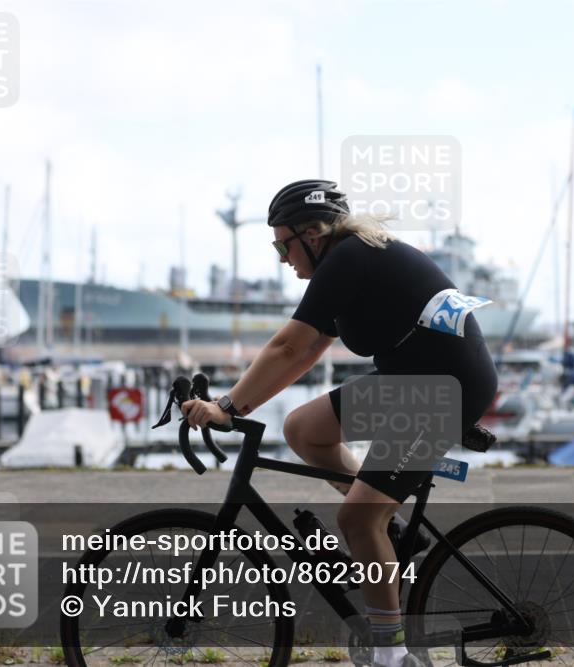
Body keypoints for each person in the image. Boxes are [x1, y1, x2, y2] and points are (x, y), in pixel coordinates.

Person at [182, 179, 498, 667]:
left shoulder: (348, 258)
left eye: (281, 244)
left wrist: (228, 406)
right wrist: (236, 407)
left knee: (356, 518)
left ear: (311, 233)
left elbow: (287, 346)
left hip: (440, 391)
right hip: (414, 382)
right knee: (303, 430)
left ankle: (391, 654)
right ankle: (389, 535)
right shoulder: (350, 262)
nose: (282, 258)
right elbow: (303, 354)